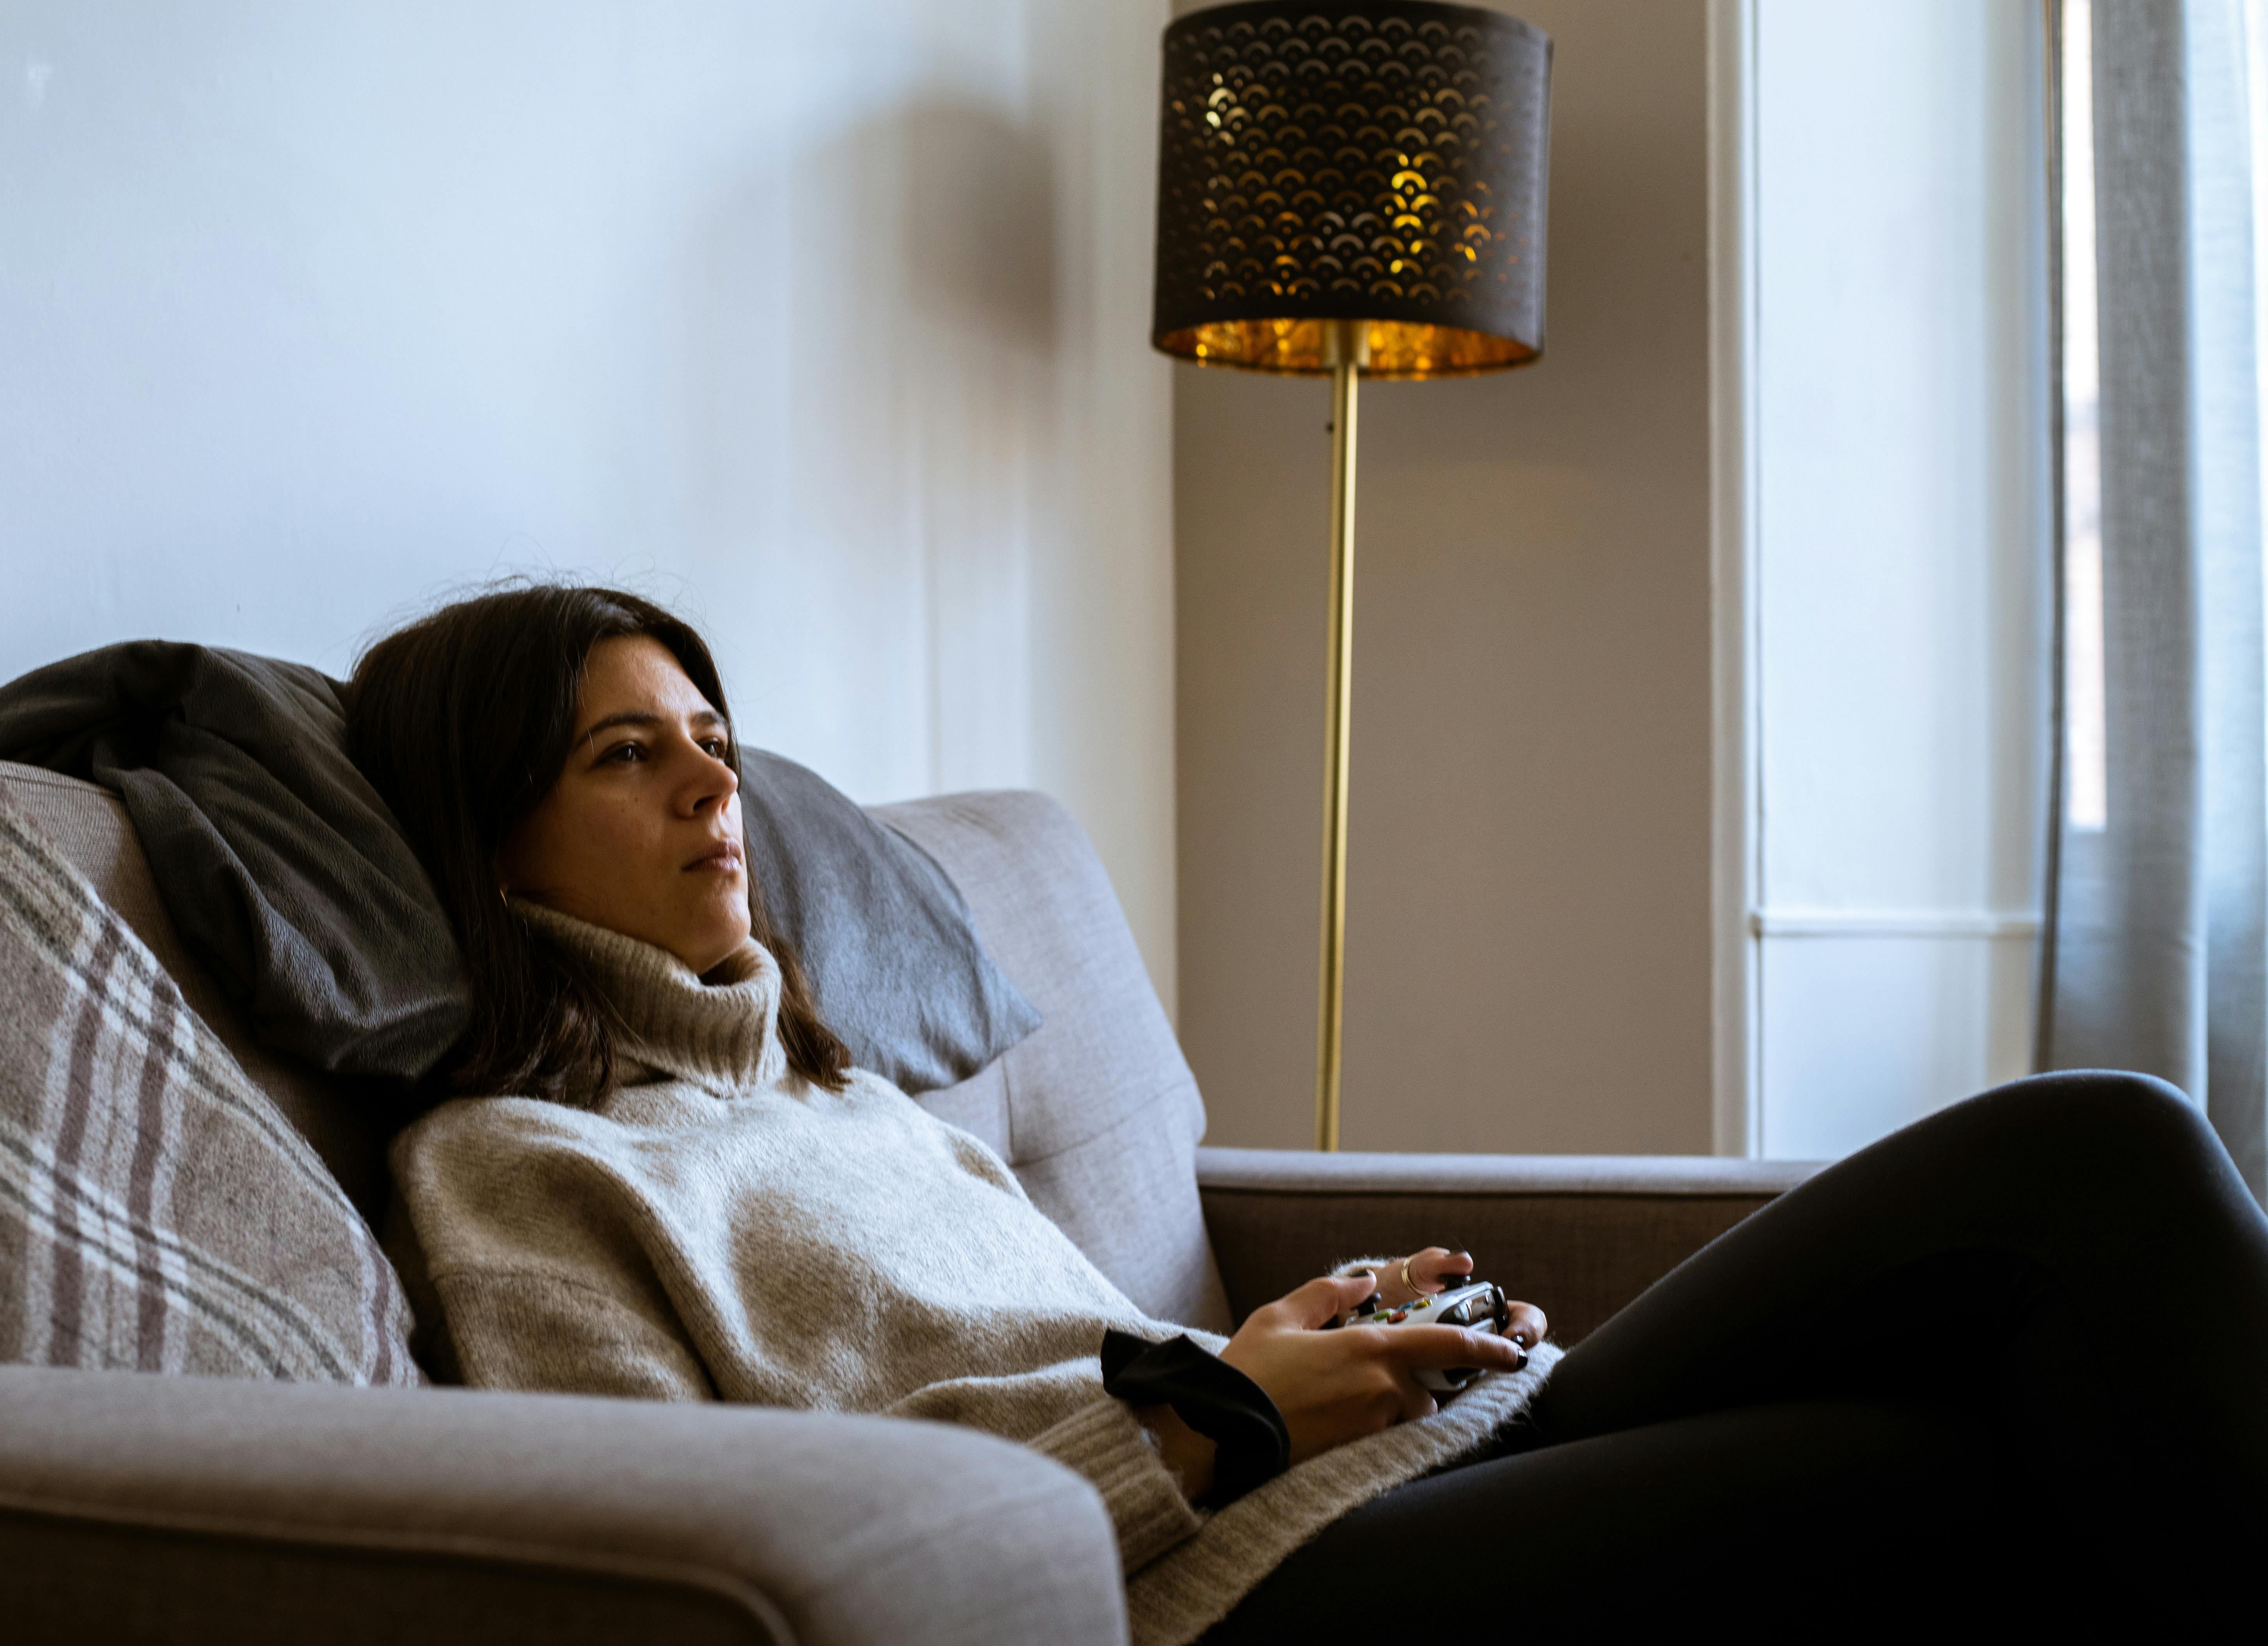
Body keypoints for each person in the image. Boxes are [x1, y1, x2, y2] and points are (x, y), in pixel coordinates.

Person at [347, 583, 2268, 1637]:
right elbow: (649, 1560)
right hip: (1217, 1603)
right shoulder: (517, 1164)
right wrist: (1217, 1412)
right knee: (2045, 1248)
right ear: (488, 833)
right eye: (629, 754)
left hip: (1307, 1485)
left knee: (2081, 1190)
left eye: (715, 741)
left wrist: (1305, 1343)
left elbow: (1067, 1358)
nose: (714, 792)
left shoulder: (849, 1095)